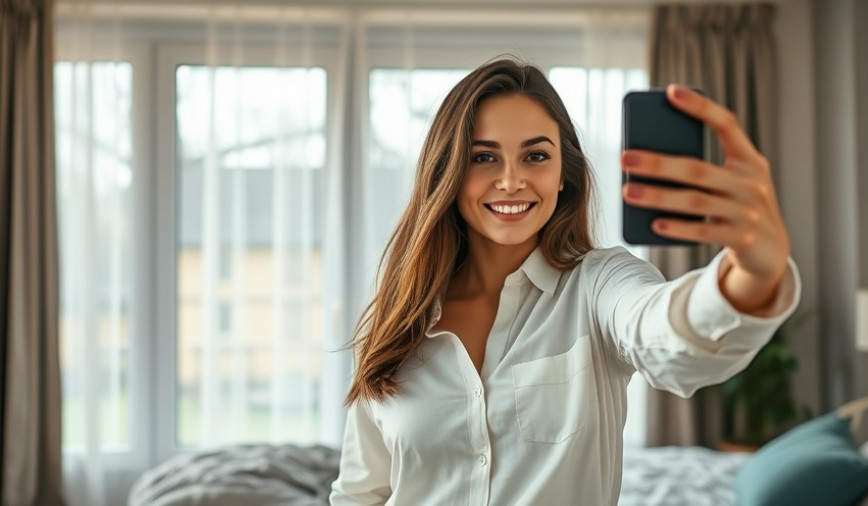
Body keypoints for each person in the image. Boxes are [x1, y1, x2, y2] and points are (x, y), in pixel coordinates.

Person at [329, 57, 800, 505]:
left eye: (535, 156)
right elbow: (360, 492)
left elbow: (665, 330)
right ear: (448, 173)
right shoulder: (399, 319)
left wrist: (753, 272)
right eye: (483, 158)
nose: (511, 180)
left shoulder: (600, 284)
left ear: (562, 176)